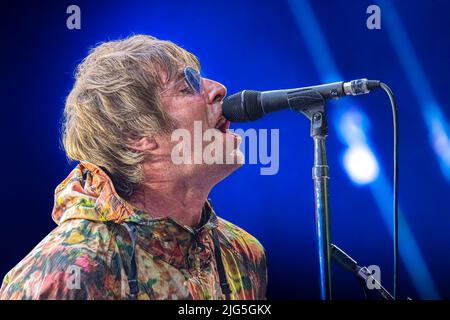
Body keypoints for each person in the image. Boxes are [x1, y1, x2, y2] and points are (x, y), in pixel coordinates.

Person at [0, 35, 267, 300]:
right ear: (136, 135)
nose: (219, 88)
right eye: (186, 87)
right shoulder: (66, 272)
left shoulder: (243, 253)